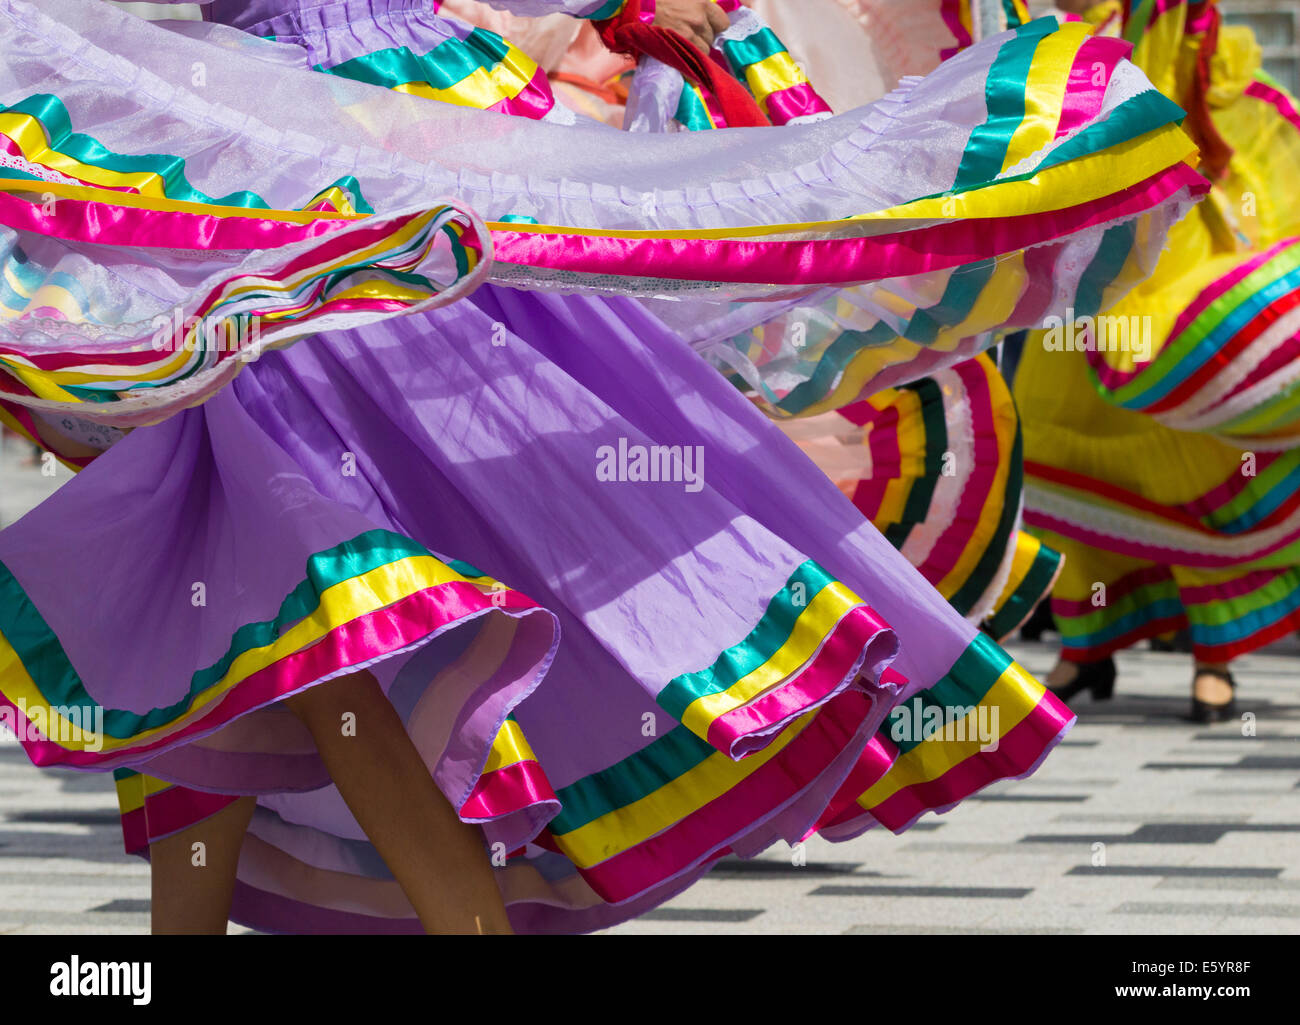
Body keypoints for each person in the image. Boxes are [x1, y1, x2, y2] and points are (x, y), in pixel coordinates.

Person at [0, 0, 1201, 932]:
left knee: (291, 577)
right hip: (286, 172)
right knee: (231, 573)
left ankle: (442, 914)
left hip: (369, 174)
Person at [1014, 0, 1300, 721]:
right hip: (1065, 254)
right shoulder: (1012, 12)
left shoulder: (1164, 13)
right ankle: (1086, 644)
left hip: (1164, 241)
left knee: (1181, 449)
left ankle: (1215, 651)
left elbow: (1202, 114)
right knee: (1049, 432)